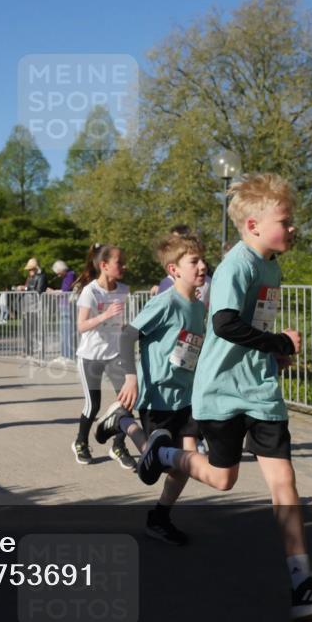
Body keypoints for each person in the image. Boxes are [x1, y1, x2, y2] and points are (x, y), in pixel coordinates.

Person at [136, 173, 312, 620]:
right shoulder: (239, 264)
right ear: (253, 225)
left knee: (284, 482)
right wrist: (279, 344)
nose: (294, 229)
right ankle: (166, 453)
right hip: (221, 392)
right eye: (286, 222)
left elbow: (257, 324)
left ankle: (301, 583)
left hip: (261, 391)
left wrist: (274, 354)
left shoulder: (271, 264)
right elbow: (225, 323)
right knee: (222, 479)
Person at [94, 232, 208, 544]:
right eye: (194, 261)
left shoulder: (198, 306)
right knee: (154, 463)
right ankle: (122, 421)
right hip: (158, 394)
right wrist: (130, 377)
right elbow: (128, 335)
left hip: (186, 396)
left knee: (184, 464)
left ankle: (159, 517)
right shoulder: (165, 302)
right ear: (174, 270)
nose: (202, 267)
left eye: (203, 261)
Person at [70, 243, 135, 470]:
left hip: (114, 355)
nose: (124, 266)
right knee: (93, 405)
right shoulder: (91, 291)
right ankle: (80, 442)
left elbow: (119, 322)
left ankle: (118, 446)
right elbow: (81, 326)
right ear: (104, 265)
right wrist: (105, 315)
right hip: (90, 356)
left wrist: (126, 328)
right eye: (119, 262)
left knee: (127, 401)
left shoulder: (124, 289)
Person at [49, 260, 77, 364]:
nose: (58, 275)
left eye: (58, 272)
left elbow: (65, 291)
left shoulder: (70, 275)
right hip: (64, 305)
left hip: (67, 306)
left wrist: (53, 292)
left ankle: (68, 355)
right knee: (64, 332)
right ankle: (64, 354)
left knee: (67, 332)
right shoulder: (67, 276)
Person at [17, 258, 47, 358]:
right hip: (27, 306)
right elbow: (28, 289)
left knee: (36, 330)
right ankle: (27, 351)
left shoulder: (41, 277)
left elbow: (39, 290)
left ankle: (38, 352)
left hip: (36, 307)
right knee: (26, 330)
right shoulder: (29, 278)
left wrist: (25, 288)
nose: (29, 271)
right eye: (29, 270)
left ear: (35, 268)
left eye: (31, 269)